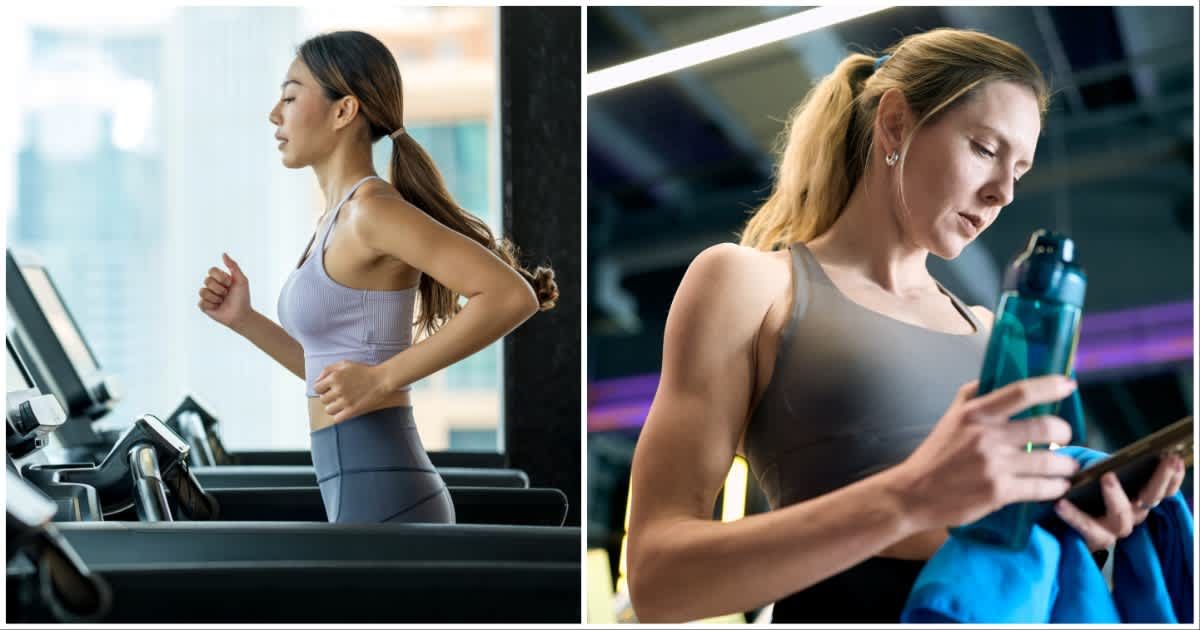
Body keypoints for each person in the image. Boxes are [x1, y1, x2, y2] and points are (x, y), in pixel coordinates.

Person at [625, 27, 1185, 623]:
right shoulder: (748, 283)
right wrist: (908, 498)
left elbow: (1009, 552)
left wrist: (1078, 534)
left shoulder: (1003, 335)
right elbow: (659, 578)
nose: (1002, 193)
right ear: (895, 123)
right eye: (985, 149)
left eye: (1019, 170)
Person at [195, 30, 558, 524]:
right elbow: (328, 376)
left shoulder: (371, 211)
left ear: (344, 111)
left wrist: (383, 378)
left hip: (388, 496)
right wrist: (244, 318)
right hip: (361, 487)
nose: (274, 114)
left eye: (290, 97)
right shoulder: (336, 218)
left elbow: (511, 296)